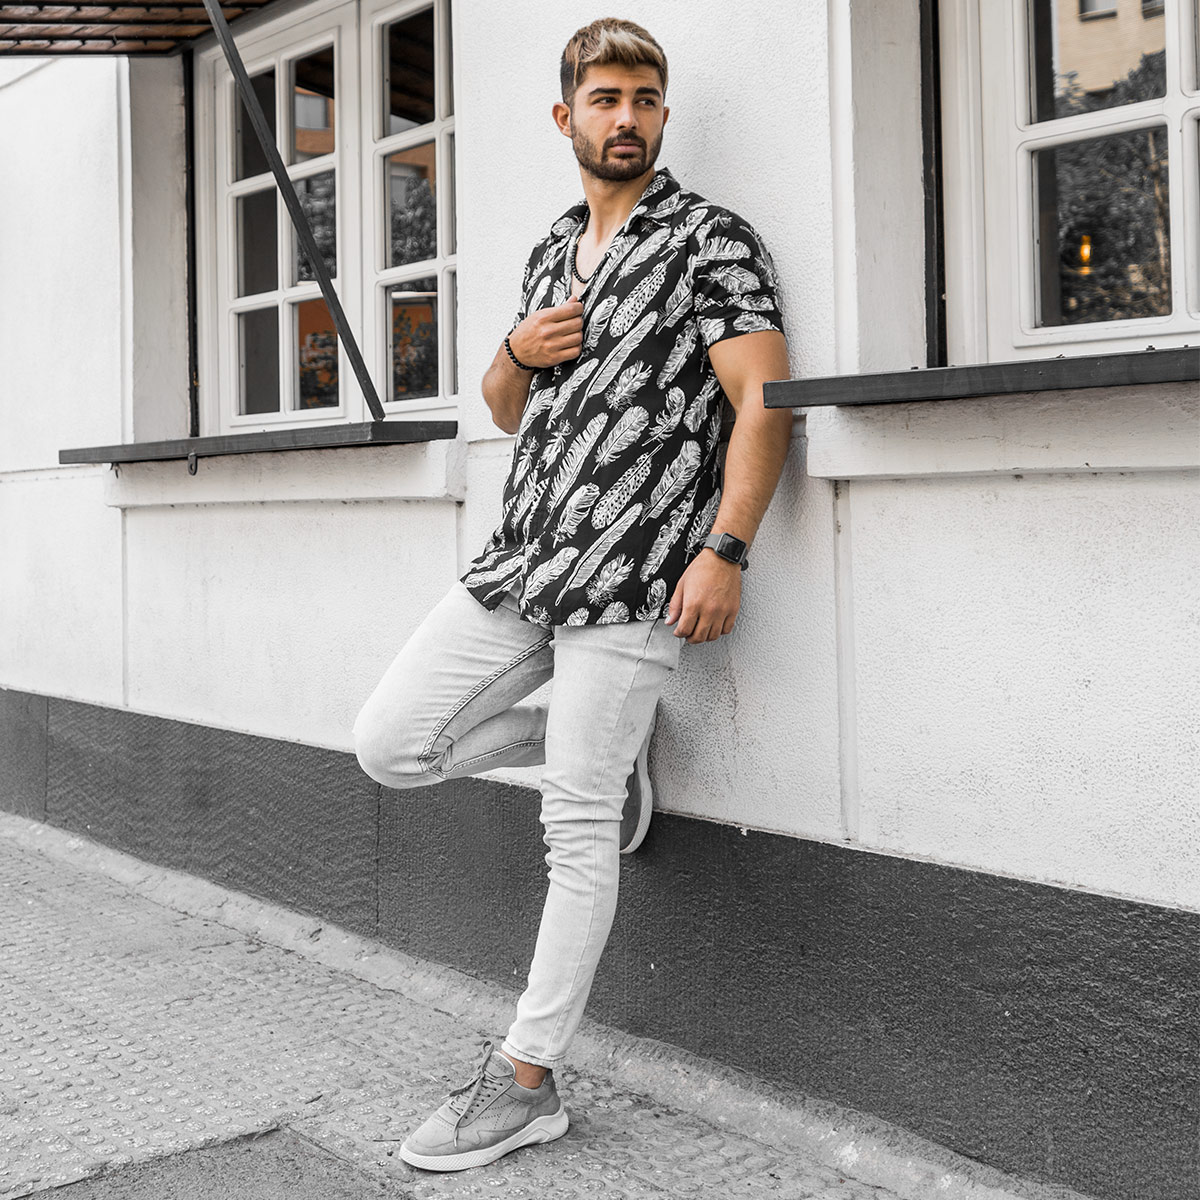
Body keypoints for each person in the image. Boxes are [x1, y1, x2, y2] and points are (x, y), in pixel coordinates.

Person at [352, 16, 793, 1173]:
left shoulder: (709, 241)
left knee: (576, 826)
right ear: (567, 116)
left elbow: (763, 401)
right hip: (526, 558)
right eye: (605, 98)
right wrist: (515, 349)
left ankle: (527, 1083)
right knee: (390, 743)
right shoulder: (554, 247)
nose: (627, 117)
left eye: (644, 99)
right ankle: (594, 750)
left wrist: (727, 548)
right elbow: (505, 408)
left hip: (639, 570)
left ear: (663, 114)